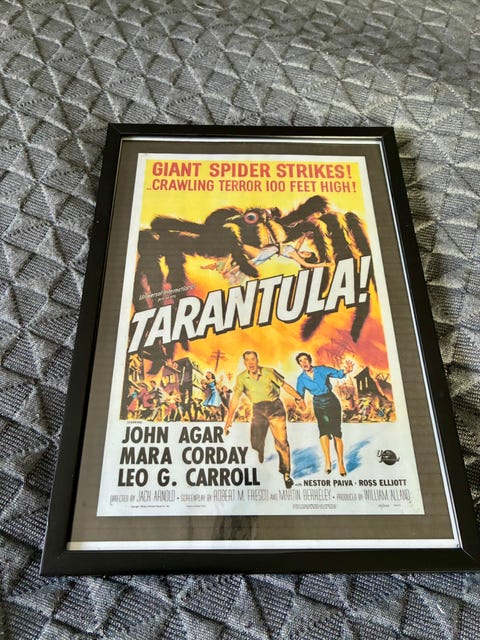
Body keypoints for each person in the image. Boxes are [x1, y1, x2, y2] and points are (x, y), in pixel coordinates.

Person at [224, 351, 305, 489]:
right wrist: (229, 419)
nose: (250, 363)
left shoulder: (269, 372)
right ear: (244, 362)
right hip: (258, 410)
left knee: (282, 442)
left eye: (253, 359)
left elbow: (284, 385)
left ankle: (286, 473)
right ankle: (259, 451)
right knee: (255, 441)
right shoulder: (241, 378)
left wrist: (299, 398)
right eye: (247, 360)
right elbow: (235, 398)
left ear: (257, 360)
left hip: (275, 408)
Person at [295, 352, 354, 476]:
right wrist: (300, 402)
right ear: (299, 364)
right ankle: (328, 461)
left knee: (336, 433)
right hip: (318, 404)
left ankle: (341, 464)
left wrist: (347, 371)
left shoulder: (321, 369)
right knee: (323, 432)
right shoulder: (301, 379)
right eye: (301, 361)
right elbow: (299, 395)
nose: (304, 362)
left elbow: (337, 373)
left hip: (331, 402)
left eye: (305, 359)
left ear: (310, 360)